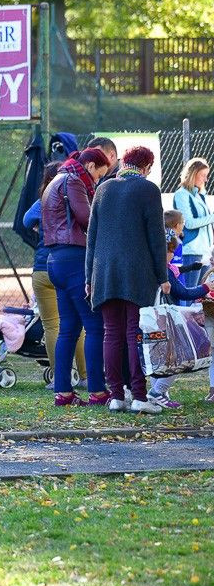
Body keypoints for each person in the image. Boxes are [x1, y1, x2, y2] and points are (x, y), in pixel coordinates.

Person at [87, 147, 170, 414]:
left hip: (104, 272)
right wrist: (162, 276)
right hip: (137, 273)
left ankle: (115, 396)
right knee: (135, 333)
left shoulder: (103, 189)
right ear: (146, 166)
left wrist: (89, 276)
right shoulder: (148, 190)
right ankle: (139, 397)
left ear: (124, 162)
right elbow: (157, 238)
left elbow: (92, 238)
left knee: (111, 334)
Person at [41, 146, 112, 406]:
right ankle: (98, 391)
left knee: (68, 330)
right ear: (91, 166)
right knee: (95, 327)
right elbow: (88, 219)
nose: (97, 182)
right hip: (75, 261)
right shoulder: (73, 181)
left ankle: (64, 392)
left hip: (55, 260)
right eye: (98, 176)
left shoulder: (57, 179)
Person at [23, 162, 85, 388]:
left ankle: (60, 376)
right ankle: (86, 375)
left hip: (42, 268)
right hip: (68, 266)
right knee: (79, 324)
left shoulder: (43, 201)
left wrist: (40, 226)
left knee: (52, 326)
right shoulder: (74, 200)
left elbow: (25, 220)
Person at [147, 214, 212, 410]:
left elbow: (176, 272)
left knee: (159, 356)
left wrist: (191, 268)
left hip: (153, 318)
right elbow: (182, 291)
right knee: (178, 357)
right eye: (171, 252)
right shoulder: (164, 270)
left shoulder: (158, 267)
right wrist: (206, 288)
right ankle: (157, 392)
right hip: (166, 318)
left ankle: (159, 393)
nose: (172, 256)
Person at [174, 158, 214, 286]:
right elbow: (189, 223)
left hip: (204, 251)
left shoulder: (198, 195)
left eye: (206, 176)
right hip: (191, 251)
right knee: (190, 295)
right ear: (193, 174)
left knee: (200, 297)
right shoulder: (182, 194)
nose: (206, 179)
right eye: (203, 175)